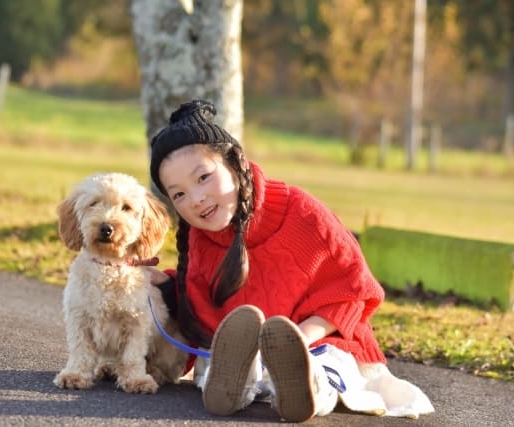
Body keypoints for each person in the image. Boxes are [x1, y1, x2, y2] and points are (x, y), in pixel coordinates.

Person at [147, 99, 434, 422]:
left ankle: (301, 387)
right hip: (247, 353)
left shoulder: (301, 212)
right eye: (179, 195)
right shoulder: (200, 239)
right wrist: (167, 285)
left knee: (326, 366)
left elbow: (351, 290)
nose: (196, 199)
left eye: (203, 177)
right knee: (219, 363)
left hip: (318, 341)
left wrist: (299, 338)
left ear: (233, 162)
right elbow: (199, 295)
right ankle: (232, 388)